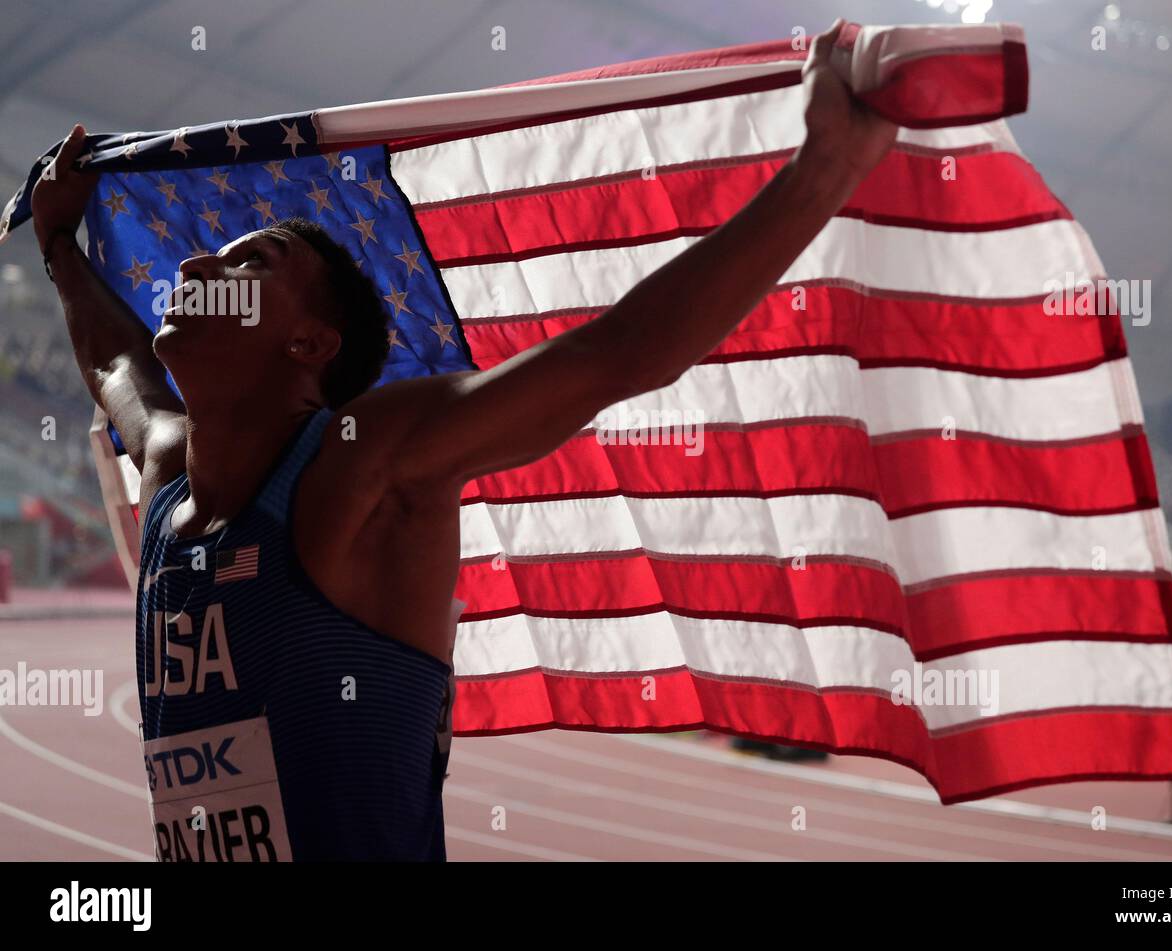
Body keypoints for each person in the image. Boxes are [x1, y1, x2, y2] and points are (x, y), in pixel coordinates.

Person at [30, 20, 897, 860]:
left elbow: (617, 354)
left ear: (309, 346)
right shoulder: (168, 464)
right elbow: (115, 360)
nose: (191, 270)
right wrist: (58, 241)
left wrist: (824, 169)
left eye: (245, 265)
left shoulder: (366, 462)